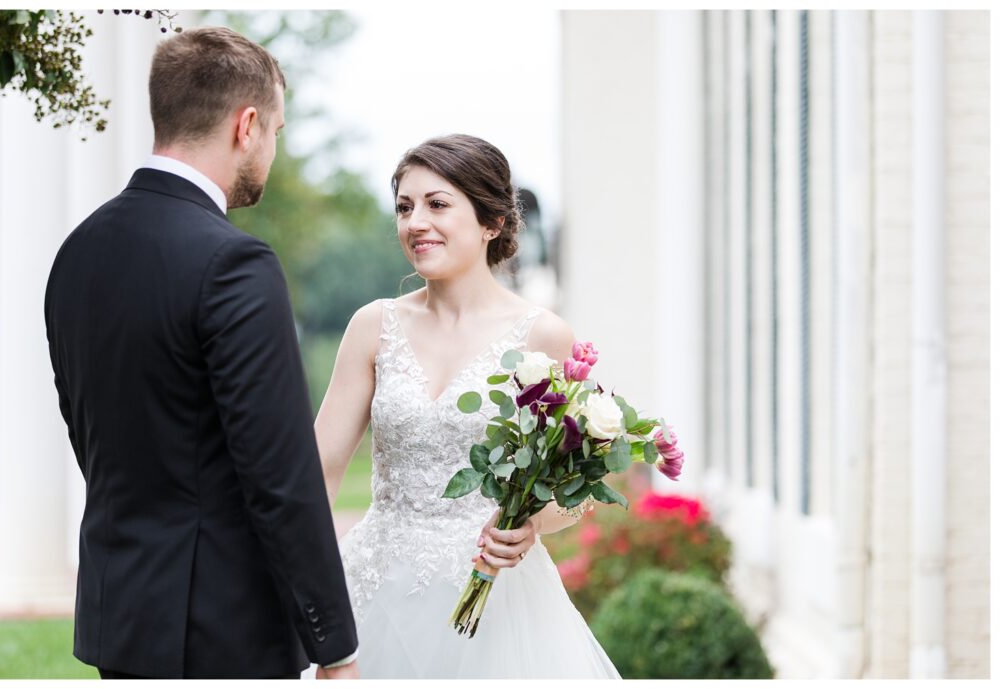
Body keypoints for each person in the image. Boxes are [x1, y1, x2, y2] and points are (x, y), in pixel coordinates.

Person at [44, 27, 358, 679]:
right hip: (221, 628)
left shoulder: (77, 252)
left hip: (121, 614)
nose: (271, 150)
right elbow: (281, 476)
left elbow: (90, 437)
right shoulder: (234, 263)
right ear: (246, 125)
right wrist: (335, 646)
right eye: (275, 131)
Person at [314, 134, 620, 678]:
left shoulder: (543, 336)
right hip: (374, 588)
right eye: (405, 207)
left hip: (497, 603)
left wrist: (531, 526)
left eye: (437, 204)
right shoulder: (373, 326)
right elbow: (318, 473)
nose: (414, 222)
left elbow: (571, 490)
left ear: (492, 223)